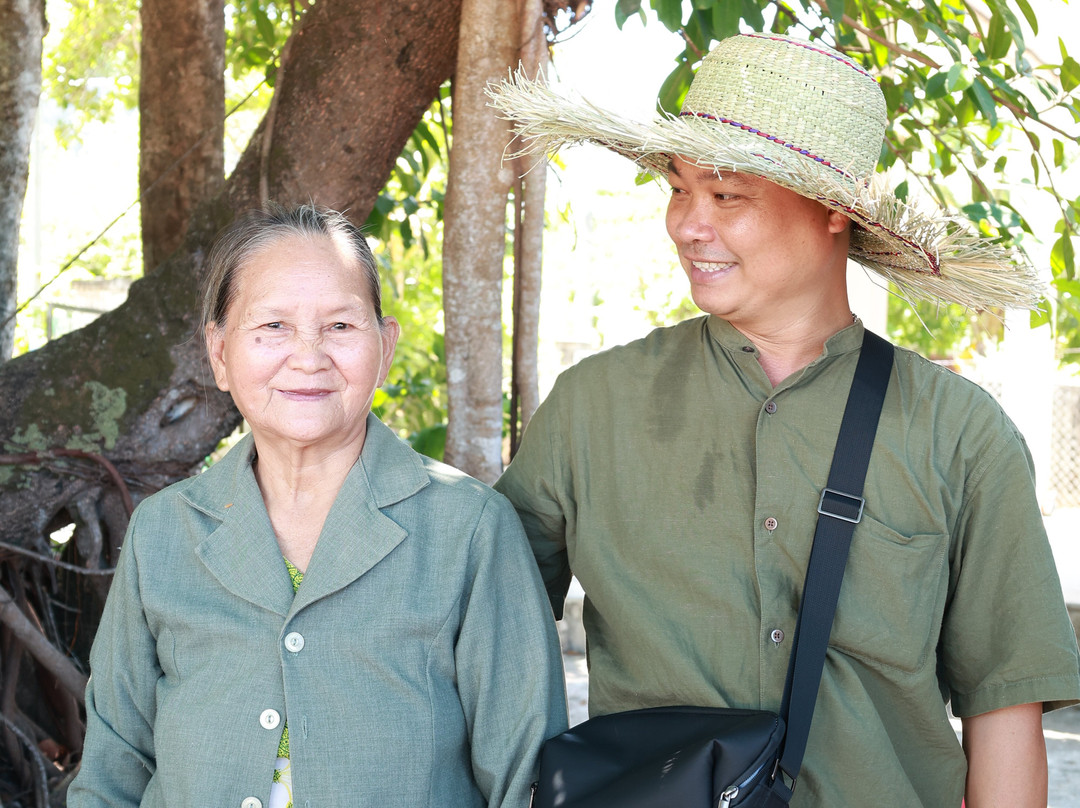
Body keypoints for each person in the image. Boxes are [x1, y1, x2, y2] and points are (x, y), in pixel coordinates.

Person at [489, 33, 1080, 807]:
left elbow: (1004, 707)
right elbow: (483, 635)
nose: (687, 224)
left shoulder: (960, 434)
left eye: (726, 195)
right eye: (677, 188)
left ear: (834, 210)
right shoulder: (592, 407)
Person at [69, 203, 568, 808]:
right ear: (220, 354)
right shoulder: (165, 532)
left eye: (340, 327)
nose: (308, 357)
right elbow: (113, 768)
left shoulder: (468, 529)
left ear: (383, 348)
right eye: (272, 326)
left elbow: (527, 782)